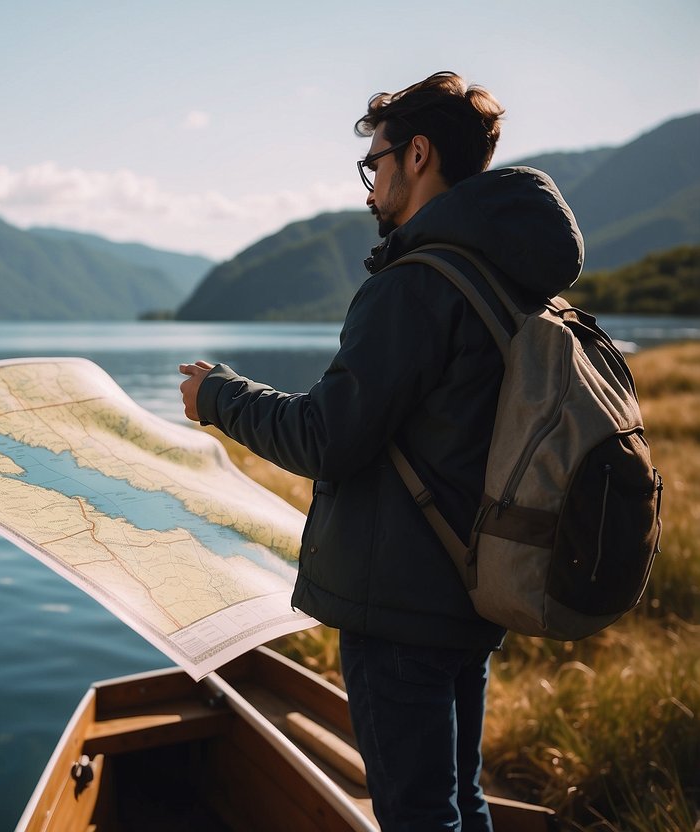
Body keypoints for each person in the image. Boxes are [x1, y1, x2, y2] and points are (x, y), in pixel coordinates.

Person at [179, 71, 584, 831]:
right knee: (457, 798)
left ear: (417, 155)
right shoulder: (508, 278)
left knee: (416, 814)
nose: (369, 191)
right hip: (470, 587)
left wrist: (218, 398)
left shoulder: (415, 286)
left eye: (376, 166)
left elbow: (325, 438)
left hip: (399, 603)